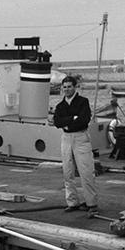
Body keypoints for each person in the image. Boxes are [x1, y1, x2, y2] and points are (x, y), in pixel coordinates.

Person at [52, 75, 98, 214]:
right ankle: (72, 202)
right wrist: (72, 118)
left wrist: (66, 122)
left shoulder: (83, 102)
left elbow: (84, 120)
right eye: (64, 87)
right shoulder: (60, 106)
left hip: (81, 137)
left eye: (69, 86)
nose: (66, 89)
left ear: (75, 87)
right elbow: (57, 122)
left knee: (86, 171)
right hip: (66, 139)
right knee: (67, 172)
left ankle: (91, 203)